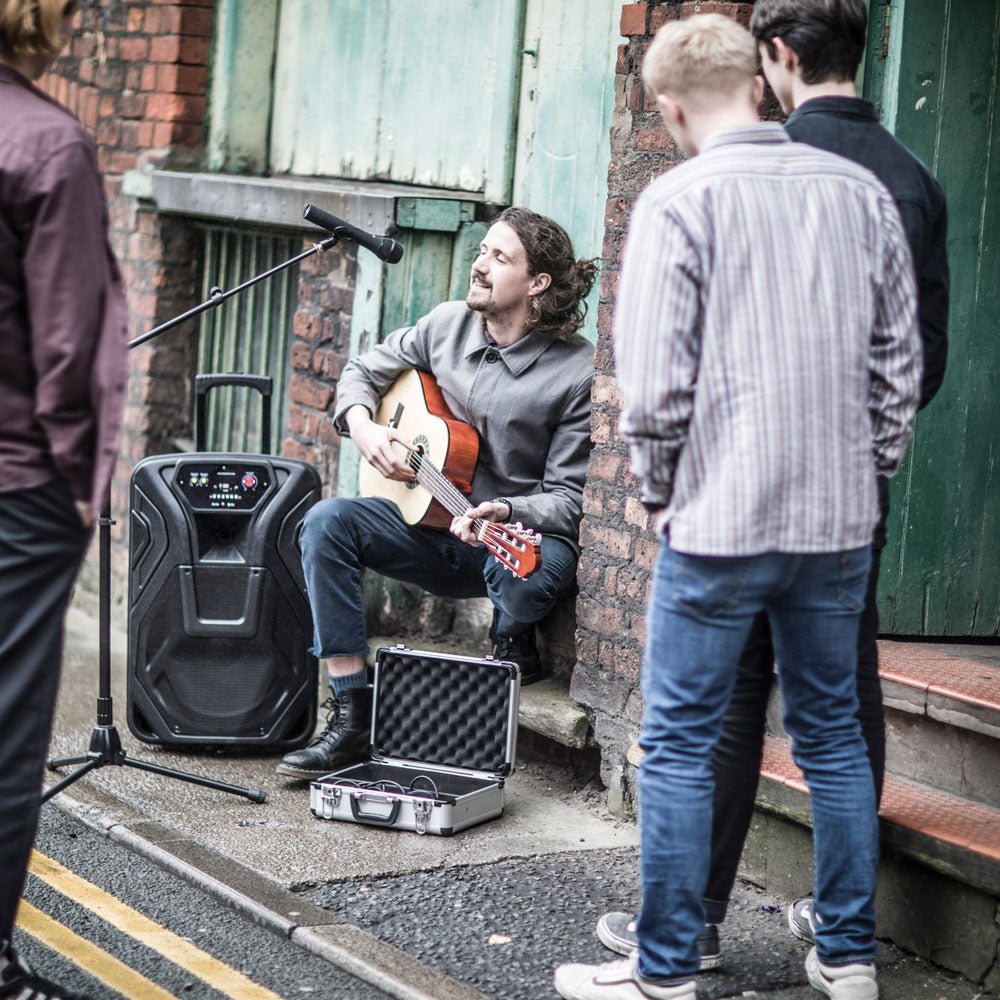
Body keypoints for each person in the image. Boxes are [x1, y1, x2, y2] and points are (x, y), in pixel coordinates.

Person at [554, 13, 921, 1000]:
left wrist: (672, 500)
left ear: (671, 107)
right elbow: (899, 359)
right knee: (834, 735)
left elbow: (653, 388)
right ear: (758, 82)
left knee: (677, 740)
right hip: (837, 519)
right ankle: (846, 958)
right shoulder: (861, 191)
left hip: (715, 521)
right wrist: (868, 470)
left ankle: (666, 967)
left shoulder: (676, 202)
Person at [277, 207, 596, 779]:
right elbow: (361, 372)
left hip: (506, 541)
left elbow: (571, 499)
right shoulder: (445, 324)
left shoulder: (576, 372)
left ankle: (513, 634)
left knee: (532, 578)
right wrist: (365, 426)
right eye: (482, 251)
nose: (480, 265)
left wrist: (506, 509)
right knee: (326, 523)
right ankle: (351, 716)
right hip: (426, 528)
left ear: (538, 283)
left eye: (500, 258)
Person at [0, 0, 128, 996]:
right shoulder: (47, 143)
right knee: (6, 731)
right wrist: (83, 485)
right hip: (17, 486)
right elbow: (69, 350)